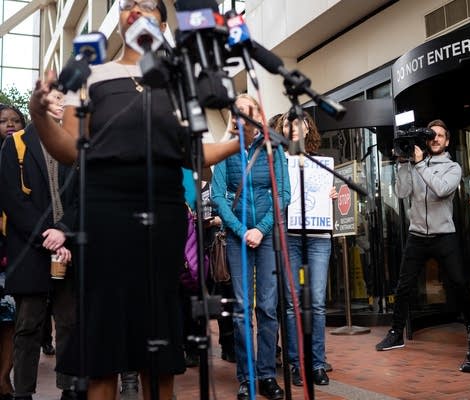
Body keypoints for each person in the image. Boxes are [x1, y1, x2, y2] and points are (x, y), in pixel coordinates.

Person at [27, 1, 245, 399]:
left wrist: (238, 141)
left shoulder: (179, 80)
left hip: (163, 211)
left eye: (147, 5)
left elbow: (193, 153)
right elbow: (72, 148)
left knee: (158, 333)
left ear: (163, 23)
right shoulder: (92, 74)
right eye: (129, 3)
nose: (135, 9)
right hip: (105, 212)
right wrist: (39, 115)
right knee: (104, 337)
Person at [376, 119, 470, 351]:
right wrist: (404, 163)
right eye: (432, 135)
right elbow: (402, 193)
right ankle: (396, 333)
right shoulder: (416, 164)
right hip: (417, 235)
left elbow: (442, 189)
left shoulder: (453, 168)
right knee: (403, 286)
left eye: (440, 136)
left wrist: (420, 164)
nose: (435, 139)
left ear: (447, 141)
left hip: (444, 235)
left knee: (459, 284)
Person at [211, 94, 290, 400]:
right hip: (237, 237)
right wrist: (243, 230)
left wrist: (262, 228)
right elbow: (218, 196)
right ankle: (247, 378)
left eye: (248, 112)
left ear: (258, 115)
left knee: (268, 308)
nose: (242, 117)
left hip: (267, 236)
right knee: (243, 311)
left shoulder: (273, 148)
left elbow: (283, 193)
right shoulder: (225, 150)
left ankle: (267, 374)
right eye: (237, 113)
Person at [0, 89, 78, 400]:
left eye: (65, 100)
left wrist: (65, 232)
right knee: (28, 325)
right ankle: (23, 391)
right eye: (56, 99)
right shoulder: (16, 143)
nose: (62, 105)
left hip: (68, 248)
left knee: (70, 322)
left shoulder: (75, 143)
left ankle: (69, 387)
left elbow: (83, 195)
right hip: (30, 247)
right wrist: (48, 235)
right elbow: (12, 198)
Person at [279, 111, 336, 386]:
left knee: (316, 303)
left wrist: (333, 196)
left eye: (299, 122)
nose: (293, 127)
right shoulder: (278, 162)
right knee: (293, 304)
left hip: (319, 239)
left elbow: (329, 197)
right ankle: (295, 363)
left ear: (308, 127)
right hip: (290, 237)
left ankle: (316, 363)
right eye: (288, 123)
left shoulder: (322, 164)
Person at [0, 103, 26, 400]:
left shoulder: (26, 157)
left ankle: (5, 380)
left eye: (15, 120)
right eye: (4, 120)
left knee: (10, 321)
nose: (10, 124)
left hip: (13, 250)